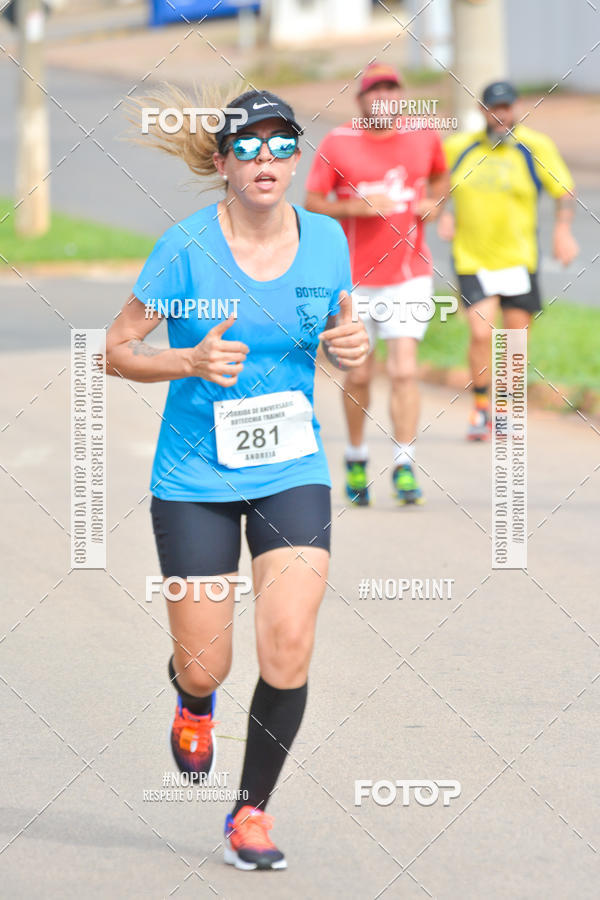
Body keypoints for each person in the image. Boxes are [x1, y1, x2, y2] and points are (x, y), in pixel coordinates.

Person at [105, 86, 369, 871]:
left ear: (295, 156)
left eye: (281, 142)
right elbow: (115, 348)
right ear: (222, 164)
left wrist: (353, 353)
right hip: (194, 476)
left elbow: (341, 335)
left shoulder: (326, 242)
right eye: (247, 145)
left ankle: (250, 812)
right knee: (206, 662)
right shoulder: (184, 248)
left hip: (293, 467)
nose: (265, 157)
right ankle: (193, 701)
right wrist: (184, 360)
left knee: (288, 641)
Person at [305, 62, 449, 506]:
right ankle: (355, 456)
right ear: (362, 100)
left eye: (391, 89)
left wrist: (434, 204)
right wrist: (357, 207)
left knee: (404, 369)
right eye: (374, 91)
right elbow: (311, 201)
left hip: (408, 275)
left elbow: (441, 179)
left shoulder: (424, 137)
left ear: (400, 96)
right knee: (360, 374)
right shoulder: (339, 142)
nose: (383, 98)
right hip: (353, 281)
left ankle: (404, 464)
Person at [438, 80, 578, 440]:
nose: (501, 115)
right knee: (481, 331)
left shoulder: (535, 147)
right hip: (473, 258)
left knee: (515, 340)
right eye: (493, 109)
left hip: (519, 259)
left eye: (507, 108)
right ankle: (482, 407)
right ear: (482, 112)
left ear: (515, 109)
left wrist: (562, 232)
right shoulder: (460, 148)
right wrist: (442, 211)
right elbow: (432, 185)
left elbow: (563, 190)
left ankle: (506, 409)